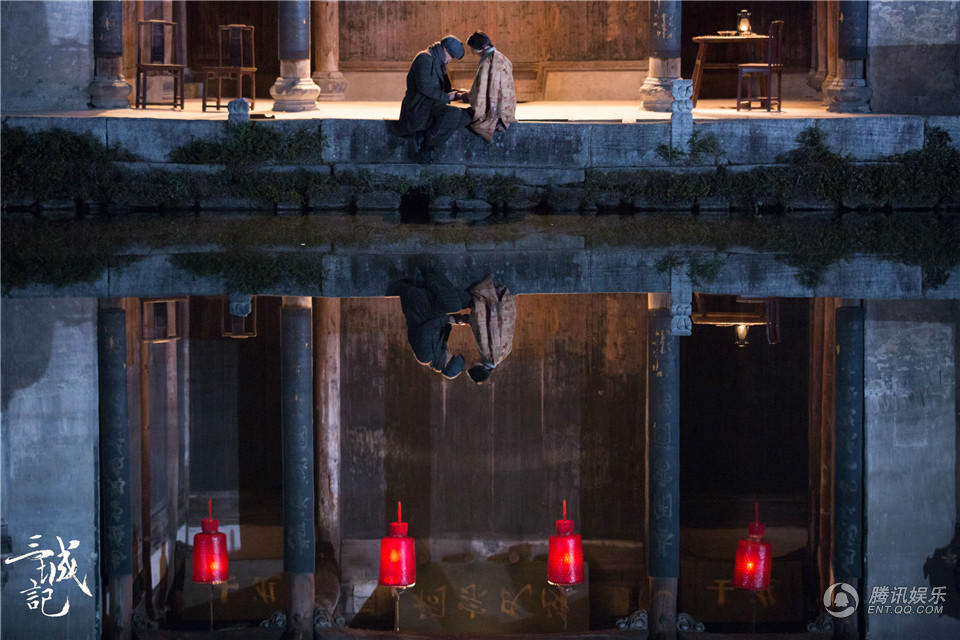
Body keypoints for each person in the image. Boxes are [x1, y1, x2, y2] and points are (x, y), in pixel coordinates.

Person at [396, 35, 473, 163]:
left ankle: (426, 136)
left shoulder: (439, 62)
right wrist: (448, 97)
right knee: (453, 114)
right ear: (444, 49)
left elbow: (444, 89)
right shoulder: (424, 58)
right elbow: (425, 87)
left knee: (468, 115)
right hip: (419, 107)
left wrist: (457, 94)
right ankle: (426, 147)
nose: (451, 60)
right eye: (451, 56)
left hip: (432, 105)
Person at [387, 267, 473, 379]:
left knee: (453, 305)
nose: (452, 353)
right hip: (430, 309)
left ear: (447, 363)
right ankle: (425, 281)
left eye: (453, 357)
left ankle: (428, 271)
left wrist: (448, 319)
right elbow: (441, 325)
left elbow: (426, 329)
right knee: (466, 299)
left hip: (419, 304)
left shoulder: (425, 356)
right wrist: (458, 320)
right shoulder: (439, 349)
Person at [463, 31, 517, 143]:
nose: (471, 50)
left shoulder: (488, 62)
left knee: (465, 118)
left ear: (480, 47)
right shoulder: (503, 58)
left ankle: (496, 121)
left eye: (472, 47)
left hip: (494, 112)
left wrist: (466, 96)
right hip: (507, 109)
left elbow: (481, 91)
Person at [466, 274, 516, 384]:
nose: (472, 361)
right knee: (476, 293)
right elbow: (491, 329)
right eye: (472, 364)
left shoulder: (501, 357)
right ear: (477, 367)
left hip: (504, 308)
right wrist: (493, 306)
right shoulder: (489, 356)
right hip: (496, 307)